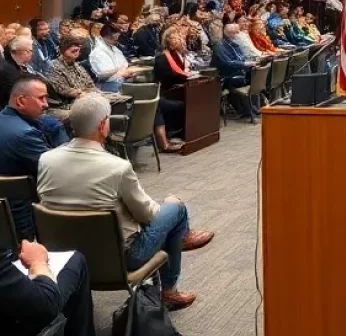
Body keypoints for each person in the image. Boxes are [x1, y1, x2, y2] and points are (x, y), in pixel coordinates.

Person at [36, 94, 214, 310]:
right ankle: (169, 287)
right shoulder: (117, 167)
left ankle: (179, 241)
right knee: (175, 207)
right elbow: (148, 215)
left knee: (164, 218)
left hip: (63, 257)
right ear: (103, 125)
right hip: (117, 261)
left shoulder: (46, 160)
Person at [0, 76, 55, 239]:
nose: (46, 104)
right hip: (21, 214)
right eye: (41, 98)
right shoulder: (25, 134)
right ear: (21, 101)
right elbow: (56, 169)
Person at [212, 24, 256, 118]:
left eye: (237, 32)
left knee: (255, 73)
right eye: (235, 32)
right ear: (228, 33)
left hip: (236, 72)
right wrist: (244, 64)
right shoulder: (219, 46)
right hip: (225, 76)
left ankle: (248, 108)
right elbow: (227, 63)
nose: (237, 34)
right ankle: (246, 109)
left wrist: (248, 62)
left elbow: (241, 57)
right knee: (245, 78)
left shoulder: (233, 43)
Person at [45, 36, 98, 115]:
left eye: (77, 50)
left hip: (86, 97)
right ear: (63, 51)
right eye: (73, 51)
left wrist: (92, 93)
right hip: (66, 104)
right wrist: (82, 94)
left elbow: (90, 84)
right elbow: (63, 89)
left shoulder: (78, 66)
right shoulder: (53, 66)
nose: (77, 53)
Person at [89, 24, 141, 92]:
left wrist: (130, 68)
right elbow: (102, 74)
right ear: (108, 36)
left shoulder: (114, 48)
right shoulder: (97, 52)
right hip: (108, 85)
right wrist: (122, 71)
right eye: (115, 40)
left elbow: (124, 64)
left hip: (120, 80)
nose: (117, 42)